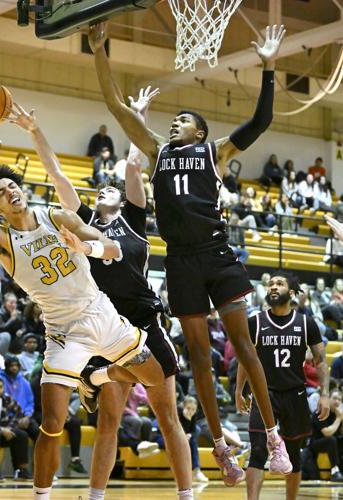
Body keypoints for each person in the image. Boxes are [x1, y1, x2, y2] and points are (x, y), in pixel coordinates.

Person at [89, 20, 291, 485]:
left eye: (184, 120)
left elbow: (261, 122)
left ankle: (273, 435)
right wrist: (101, 51)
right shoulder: (158, 151)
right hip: (180, 260)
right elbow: (115, 106)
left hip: (217, 254)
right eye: (174, 120)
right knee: (198, 357)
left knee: (244, 345)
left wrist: (268, 67)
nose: (174, 122)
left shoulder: (214, 152)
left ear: (200, 133)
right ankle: (221, 447)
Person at [0, 122, 165, 500]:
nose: (10, 191)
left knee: (155, 377)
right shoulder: (1, 241)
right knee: (51, 423)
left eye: (12, 185)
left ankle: (93, 379)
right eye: (0, 192)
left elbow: (112, 249)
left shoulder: (56, 215)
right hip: (63, 332)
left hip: (103, 314)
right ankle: (41, 496)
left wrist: (85, 248)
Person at [9, 89, 193, 498]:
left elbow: (132, 161)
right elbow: (56, 173)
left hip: (143, 319)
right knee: (108, 420)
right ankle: (95, 496)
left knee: (168, 414)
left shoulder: (134, 217)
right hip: (104, 321)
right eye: (101, 189)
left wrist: (137, 115)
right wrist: (37, 132)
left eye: (111, 189)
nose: (105, 190)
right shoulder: (82, 221)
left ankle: (186, 494)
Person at [235, 271, 330, 500]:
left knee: (294, 455)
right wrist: (239, 390)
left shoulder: (306, 323)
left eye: (279, 283)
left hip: (295, 394)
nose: (273, 287)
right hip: (263, 393)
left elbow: (321, 360)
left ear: (292, 292)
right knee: (257, 451)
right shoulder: (255, 322)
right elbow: (245, 360)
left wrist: (325, 393)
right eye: (270, 284)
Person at [308, 389, 343, 482]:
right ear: (328, 399)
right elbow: (327, 433)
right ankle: (334, 471)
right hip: (316, 443)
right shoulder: (320, 412)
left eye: (340, 399)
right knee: (331, 440)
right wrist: (339, 419)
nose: (337, 401)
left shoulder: (337, 414)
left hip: (332, 442)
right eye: (335, 398)